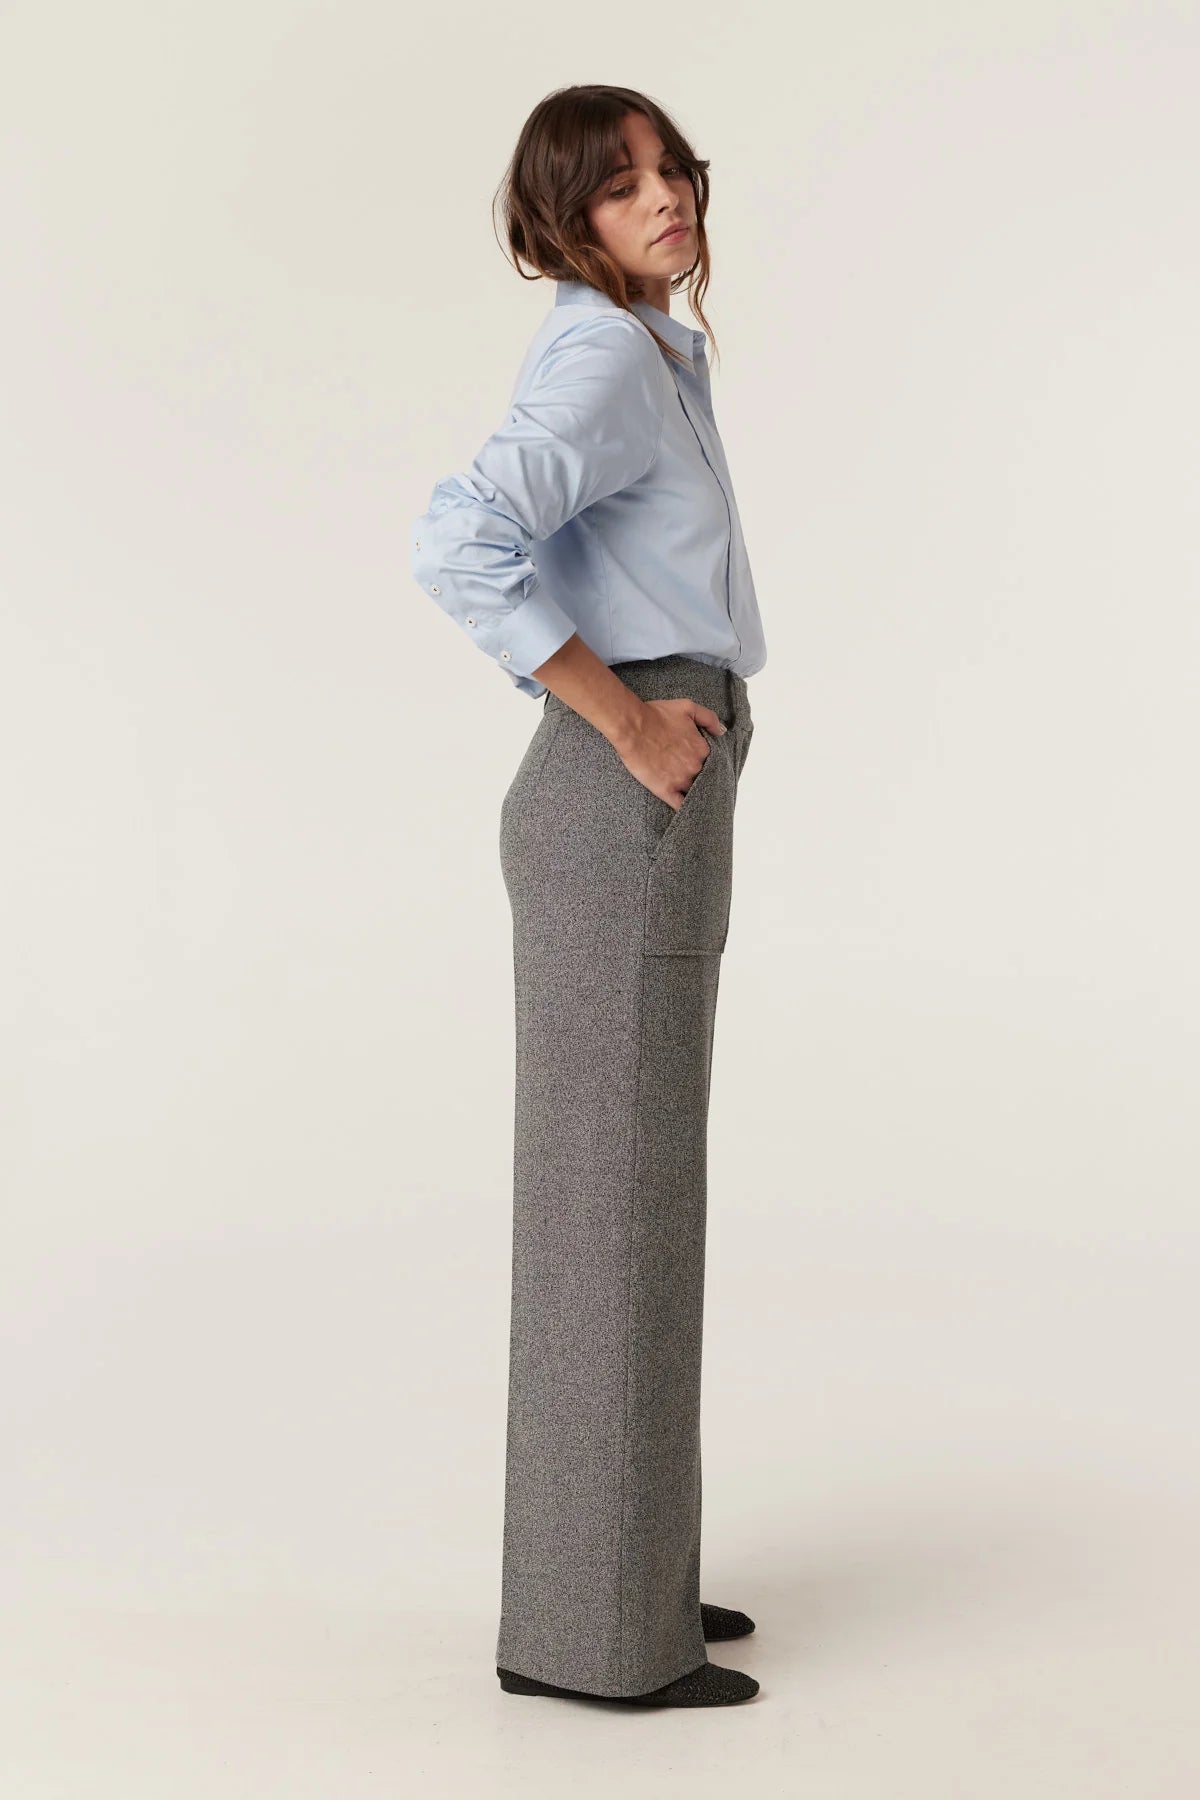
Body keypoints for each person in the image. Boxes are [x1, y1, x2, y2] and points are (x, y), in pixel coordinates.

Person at [411, 85, 767, 1709]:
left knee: (634, 1200)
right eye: (619, 184)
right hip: (619, 794)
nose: (662, 194)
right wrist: (624, 723)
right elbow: (458, 541)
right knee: (611, 1211)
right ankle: (594, 1642)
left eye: (669, 167)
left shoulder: (641, 351)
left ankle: (632, 1580)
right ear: (565, 217)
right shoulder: (607, 357)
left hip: (640, 795)